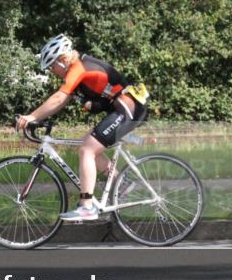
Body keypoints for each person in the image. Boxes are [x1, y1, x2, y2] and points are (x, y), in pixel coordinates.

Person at [17, 35, 148, 221]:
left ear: (63, 60)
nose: (52, 71)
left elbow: (58, 98)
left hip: (128, 109)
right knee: (87, 146)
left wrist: (31, 117)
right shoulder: (79, 69)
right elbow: (68, 101)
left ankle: (87, 207)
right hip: (123, 109)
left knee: (87, 150)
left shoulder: (78, 67)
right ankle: (122, 182)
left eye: (52, 66)